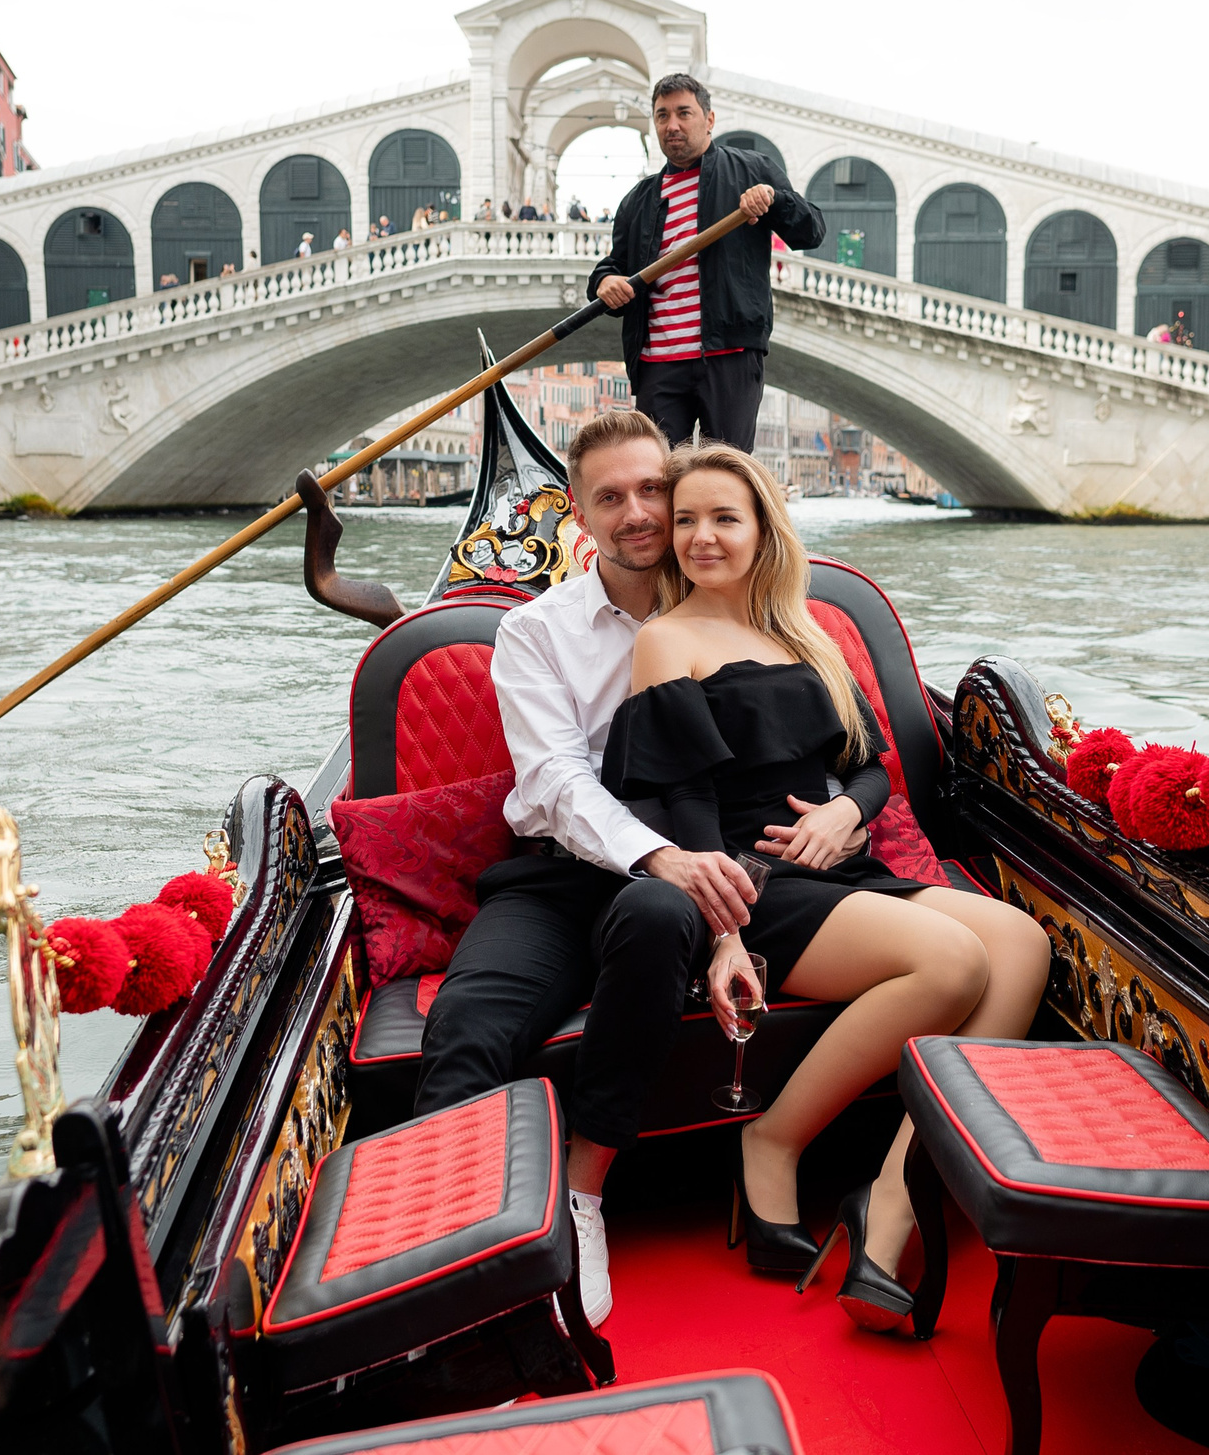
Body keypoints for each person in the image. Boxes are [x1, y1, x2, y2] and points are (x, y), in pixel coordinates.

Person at [605, 441, 1048, 1331]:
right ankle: (771, 1141)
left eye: (723, 517)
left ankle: (893, 1198)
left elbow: (871, 770)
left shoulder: (801, 629)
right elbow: (683, 797)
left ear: (764, 526)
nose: (700, 536)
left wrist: (847, 812)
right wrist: (723, 929)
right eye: (685, 519)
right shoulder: (666, 638)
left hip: (843, 865)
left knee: (1023, 944)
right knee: (955, 963)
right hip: (754, 882)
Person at [414, 410, 773, 1329]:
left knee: (658, 918)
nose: (639, 513)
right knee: (466, 1025)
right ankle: (449, 1273)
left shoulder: (742, 615)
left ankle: (585, 1198)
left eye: (653, 489)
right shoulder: (536, 632)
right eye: (611, 496)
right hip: (557, 874)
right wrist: (663, 855)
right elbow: (557, 784)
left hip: (671, 885)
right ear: (577, 512)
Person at [592, 74, 823, 453]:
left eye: (684, 113)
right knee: (659, 475)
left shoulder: (751, 171)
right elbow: (614, 266)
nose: (673, 125)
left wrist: (775, 200)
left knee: (726, 472)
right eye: (662, 116)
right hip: (657, 362)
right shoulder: (638, 200)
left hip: (728, 354)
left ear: (709, 119)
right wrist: (603, 282)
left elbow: (811, 231)